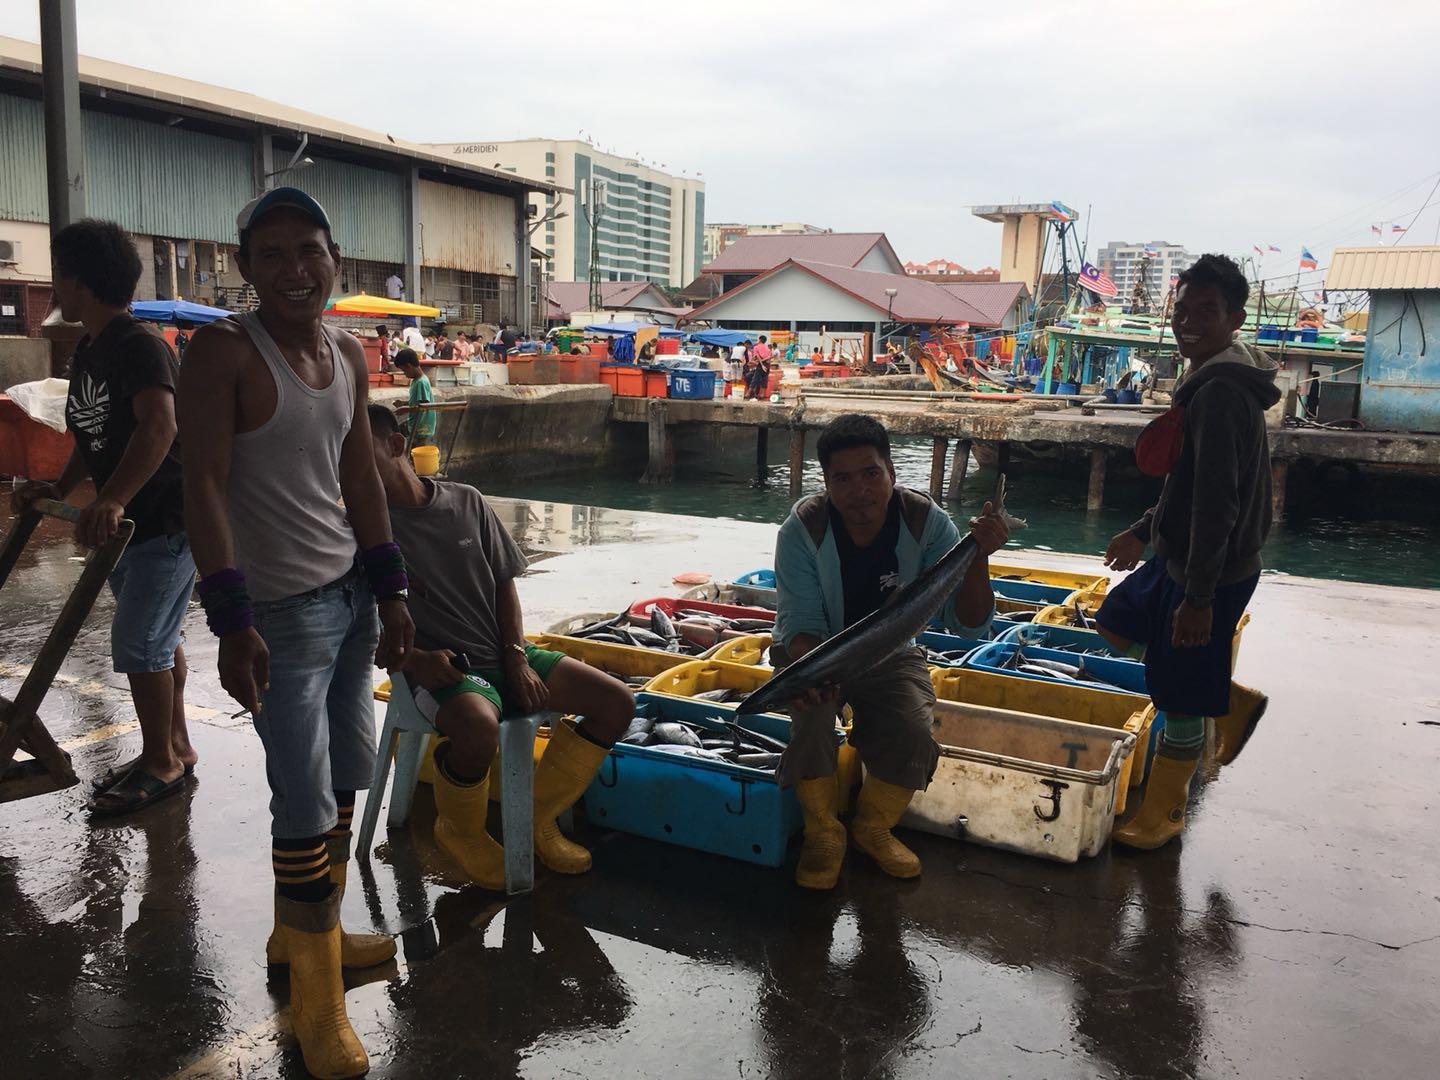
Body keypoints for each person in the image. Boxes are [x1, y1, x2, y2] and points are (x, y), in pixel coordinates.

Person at [177, 187, 414, 1079]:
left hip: (353, 599)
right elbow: (203, 484)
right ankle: (316, 1005)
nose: (294, 271)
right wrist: (230, 619)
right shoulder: (222, 354)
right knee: (302, 799)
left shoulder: (348, 350)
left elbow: (360, 472)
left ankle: (303, 938)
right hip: (278, 612)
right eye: (271, 256)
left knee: (347, 775)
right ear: (244, 268)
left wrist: (392, 590)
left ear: (334, 258)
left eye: (309, 251)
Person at [367, 403, 635, 886]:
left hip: (504, 648)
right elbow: (353, 628)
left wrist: (515, 656)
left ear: (394, 446)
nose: (348, 473)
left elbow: (504, 584)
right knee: (476, 727)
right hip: (441, 669)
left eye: (357, 456)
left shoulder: (466, 500)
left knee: (617, 701)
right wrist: (417, 660)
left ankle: (537, 814)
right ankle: (462, 831)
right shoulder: (360, 531)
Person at [772, 413, 1009, 890]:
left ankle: (872, 826)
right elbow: (800, 625)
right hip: (816, 649)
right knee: (812, 719)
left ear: (892, 472)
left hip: (893, 652)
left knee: (913, 731)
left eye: (870, 473)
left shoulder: (926, 523)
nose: (858, 490)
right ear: (826, 483)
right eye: (842, 478)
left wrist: (979, 556)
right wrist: (811, 673)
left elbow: (970, 625)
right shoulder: (802, 530)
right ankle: (823, 832)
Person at [12, 219, 197, 816]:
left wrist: (112, 499)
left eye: (59, 276)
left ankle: (162, 764)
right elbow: (92, 434)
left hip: (162, 521)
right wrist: (60, 486)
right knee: (157, 638)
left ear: (80, 281)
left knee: (141, 643)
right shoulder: (92, 348)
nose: (55, 288)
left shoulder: (139, 345)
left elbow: (160, 427)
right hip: (126, 529)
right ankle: (176, 747)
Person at [1095, 254, 1278, 850]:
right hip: (1179, 556)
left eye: (1207, 311)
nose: (1189, 321)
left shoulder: (1222, 393)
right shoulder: (1206, 378)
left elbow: (1218, 504)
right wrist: (1144, 530)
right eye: (1183, 310)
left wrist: (1199, 599)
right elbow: (1186, 484)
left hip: (1213, 570)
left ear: (1235, 318)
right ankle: (1220, 702)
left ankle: (1163, 817)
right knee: (1118, 617)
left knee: (1173, 693)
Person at [396, 349, 437, 448]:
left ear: (409, 366)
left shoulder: (421, 382)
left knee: (418, 451)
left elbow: (424, 406)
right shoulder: (416, 380)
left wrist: (406, 409)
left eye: (404, 370)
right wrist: (404, 403)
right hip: (416, 424)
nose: (404, 374)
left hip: (422, 427)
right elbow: (417, 400)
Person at [746, 335, 774, 400]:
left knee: (755, 378)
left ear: (760, 340)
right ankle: (762, 394)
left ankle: (748, 393)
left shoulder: (756, 347)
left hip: (760, 365)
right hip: (767, 364)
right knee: (764, 379)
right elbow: (769, 358)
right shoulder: (768, 349)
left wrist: (760, 362)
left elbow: (757, 356)